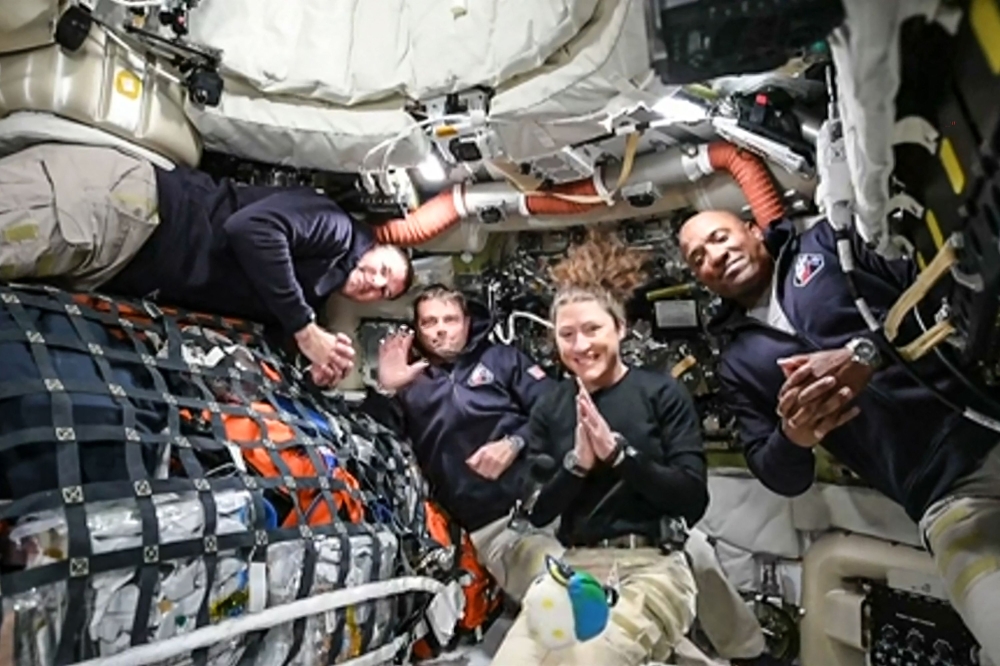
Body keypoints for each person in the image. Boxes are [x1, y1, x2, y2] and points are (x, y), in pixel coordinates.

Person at [678, 209, 1000, 665]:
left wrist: (866, 353)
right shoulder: (738, 363)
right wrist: (793, 436)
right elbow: (779, 474)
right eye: (698, 258)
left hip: (987, 417)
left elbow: (939, 290)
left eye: (719, 237)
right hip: (946, 496)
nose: (715, 255)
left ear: (752, 230)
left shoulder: (828, 244)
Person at [491, 231, 778, 666]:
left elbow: (691, 500)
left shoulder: (661, 393)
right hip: (574, 569)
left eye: (592, 329)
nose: (580, 345)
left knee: (587, 660)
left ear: (620, 329)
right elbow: (539, 512)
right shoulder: (551, 406)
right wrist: (577, 465)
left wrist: (620, 457)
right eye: (567, 334)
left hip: (652, 565)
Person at [0, 143, 413, 386]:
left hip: (119, 263)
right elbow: (252, 230)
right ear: (374, 245)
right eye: (383, 269)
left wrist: (314, 370)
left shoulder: (309, 294)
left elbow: (265, 339)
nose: (375, 283)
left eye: (384, 292)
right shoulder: (336, 228)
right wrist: (305, 330)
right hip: (128, 213)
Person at [376, 285, 562, 602]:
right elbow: (378, 445)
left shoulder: (501, 359)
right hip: (495, 526)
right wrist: (386, 390)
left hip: (552, 495)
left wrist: (516, 442)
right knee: (555, 588)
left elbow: (558, 411)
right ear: (417, 330)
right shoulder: (410, 386)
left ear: (467, 322)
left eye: (450, 320)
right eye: (429, 322)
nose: (440, 330)